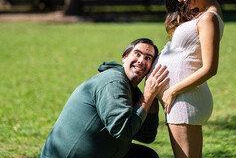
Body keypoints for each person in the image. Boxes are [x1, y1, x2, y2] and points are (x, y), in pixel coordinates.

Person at [40, 38, 169, 158]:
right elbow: (123, 131)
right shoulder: (114, 81)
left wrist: (151, 100)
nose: (141, 61)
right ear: (124, 57)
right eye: (137, 54)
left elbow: (147, 137)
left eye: (148, 58)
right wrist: (147, 96)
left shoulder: (133, 91)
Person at [153, 0, 224, 158]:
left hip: (184, 99)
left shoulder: (209, 18)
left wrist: (172, 91)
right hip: (181, 98)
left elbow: (210, 68)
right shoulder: (202, 14)